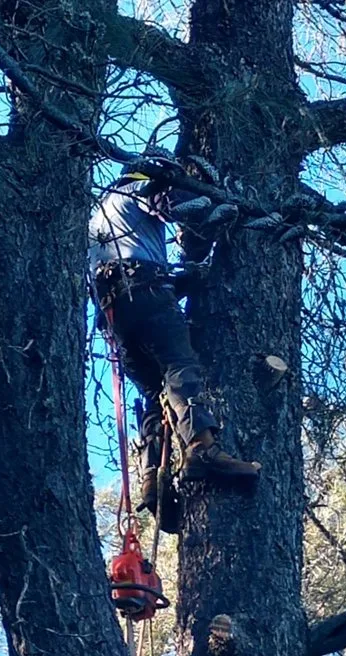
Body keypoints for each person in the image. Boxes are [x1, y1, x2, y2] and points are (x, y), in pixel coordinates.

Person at [89, 155, 260, 526]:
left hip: (113, 313)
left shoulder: (98, 216)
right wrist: (204, 210)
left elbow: (126, 272)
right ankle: (201, 447)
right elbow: (172, 207)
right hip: (144, 289)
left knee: (155, 393)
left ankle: (153, 477)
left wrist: (184, 281)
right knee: (179, 366)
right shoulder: (136, 187)